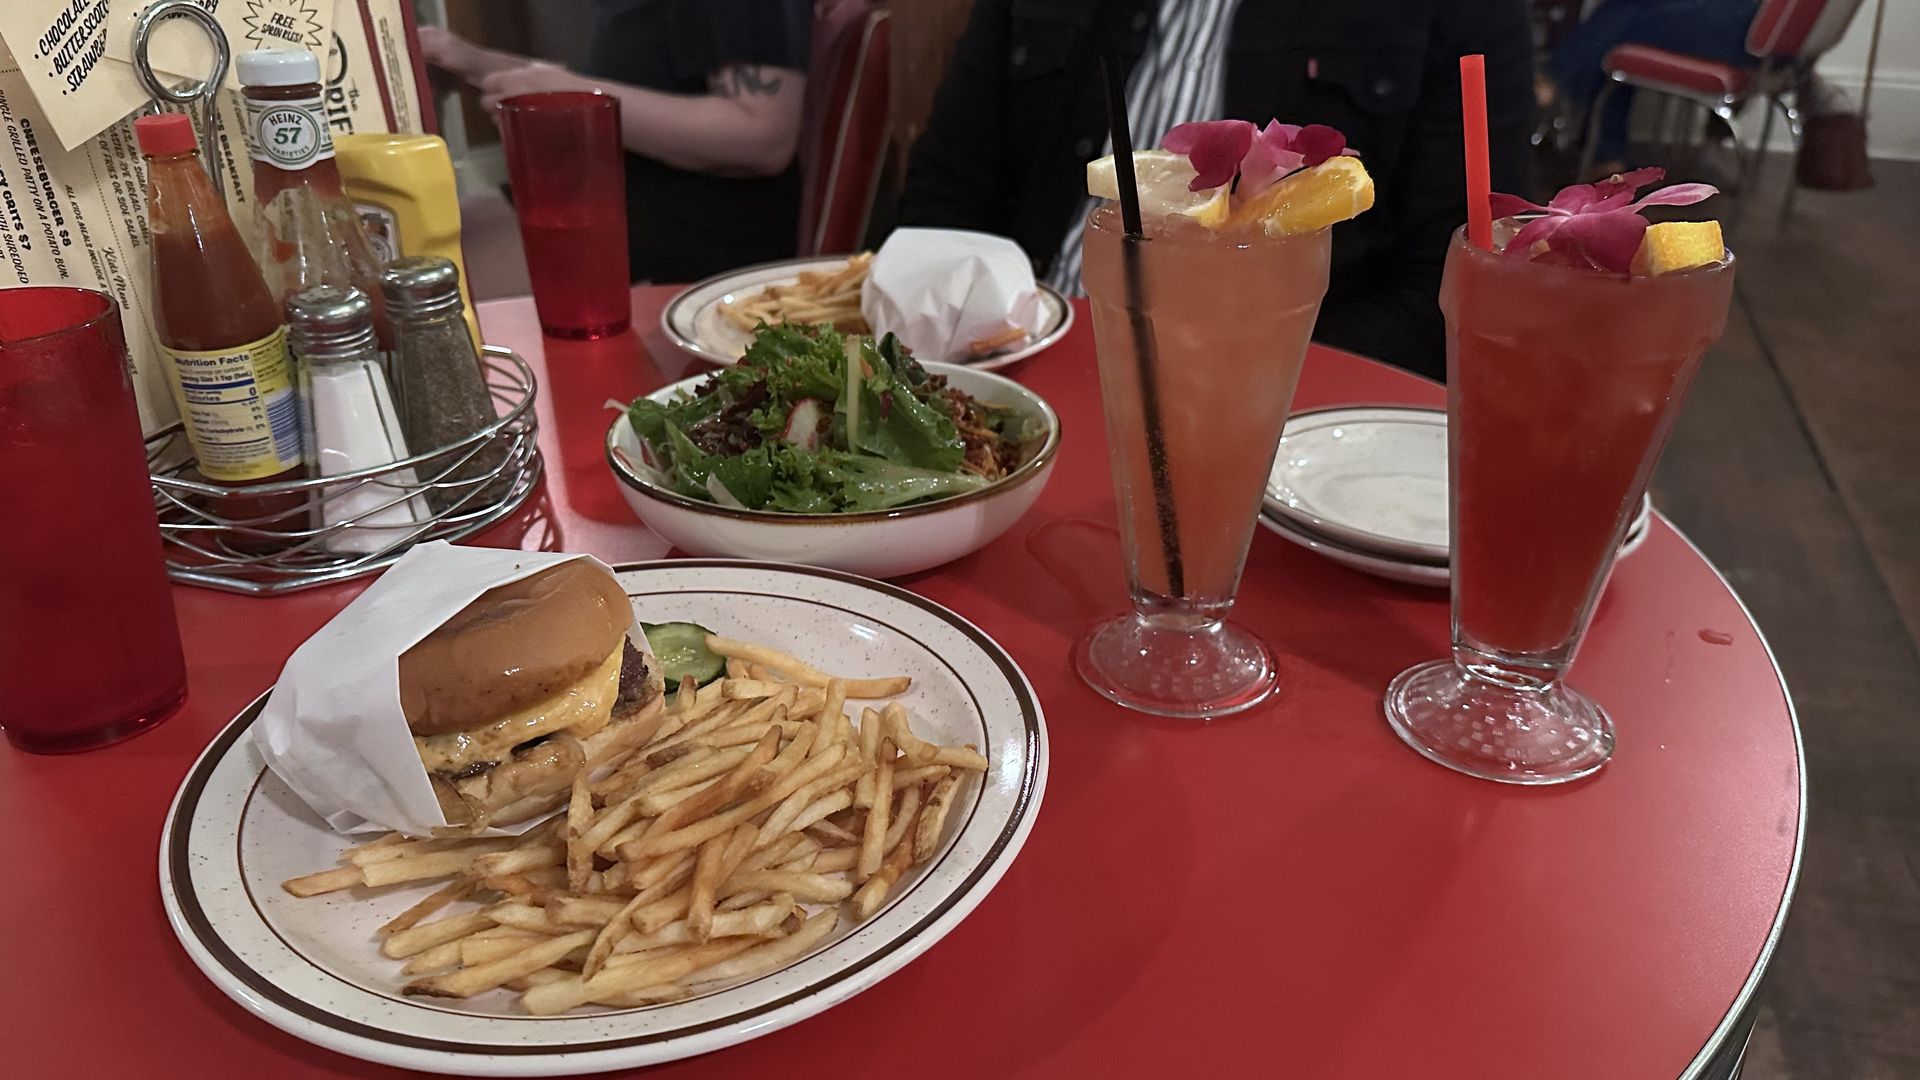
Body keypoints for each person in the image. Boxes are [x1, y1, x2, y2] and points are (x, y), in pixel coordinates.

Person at [897, 0, 1534, 381]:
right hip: (1015, 360)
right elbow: (944, 194)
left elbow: (1457, 281)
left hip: (1277, 408)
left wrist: (1255, 394)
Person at [420, 0, 811, 283]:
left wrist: (576, 94)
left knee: (427, 274)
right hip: (618, 203)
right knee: (432, 231)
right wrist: (475, 62)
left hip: (699, 240)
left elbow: (763, 135)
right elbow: (631, 86)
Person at [1542, 0, 1760, 178]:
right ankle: (1604, 153)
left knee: (1620, 19)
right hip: (1750, 28)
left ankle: (1554, 84)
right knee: (1621, 20)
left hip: (1737, 29)